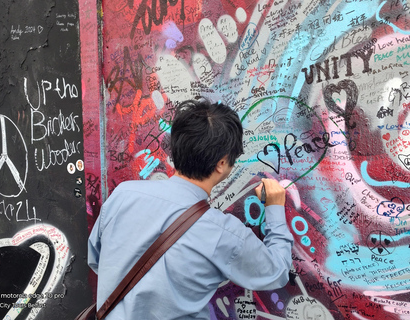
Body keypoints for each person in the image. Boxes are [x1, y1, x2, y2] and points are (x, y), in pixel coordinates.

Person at [88, 99, 294, 319]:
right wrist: (274, 207)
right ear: (222, 163)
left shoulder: (123, 195)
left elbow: (96, 258)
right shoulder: (222, 233)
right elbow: (277, 272)